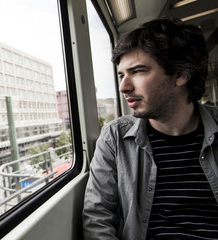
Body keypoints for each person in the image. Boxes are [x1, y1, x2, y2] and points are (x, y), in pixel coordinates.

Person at [82, 17, 218, 240]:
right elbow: (98, 215)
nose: (124, 87)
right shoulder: (115, 136)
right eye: (121, 75)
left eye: (137, 71)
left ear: (180, 74)